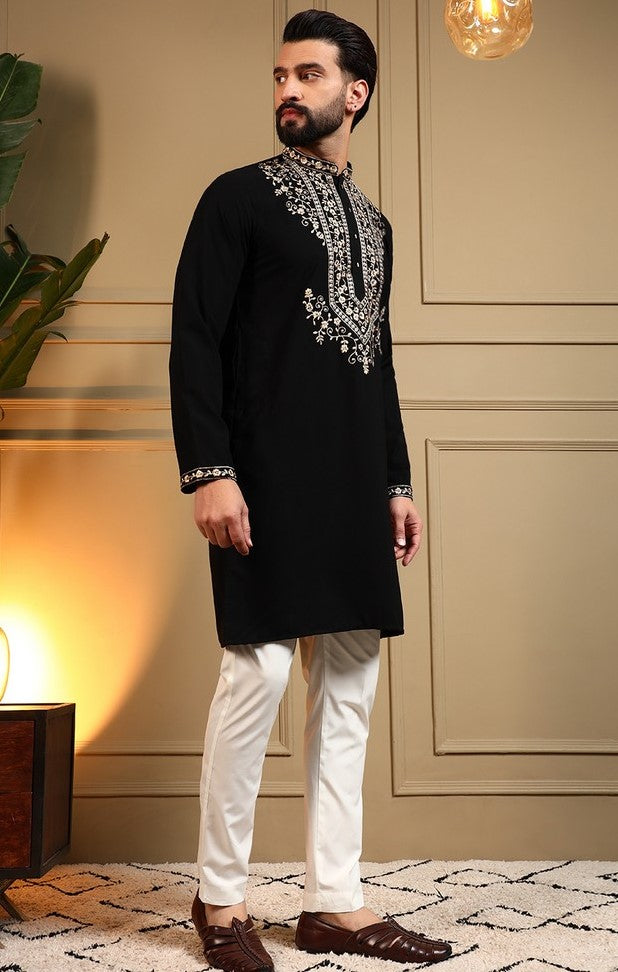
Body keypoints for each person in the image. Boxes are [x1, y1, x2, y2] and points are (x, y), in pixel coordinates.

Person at [169, 9, 453, 969]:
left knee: (350, 685)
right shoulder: (237, 198)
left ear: (354, 93)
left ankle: (334, 903)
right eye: (280, 75)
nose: (288, 89)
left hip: (352, 482)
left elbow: (377, 362)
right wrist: (210, 472)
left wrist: (395, 480)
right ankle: (220, 901)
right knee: (257, 675)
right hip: (263, 477)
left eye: (309, 75)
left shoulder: (374, 225)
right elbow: (195, 338)